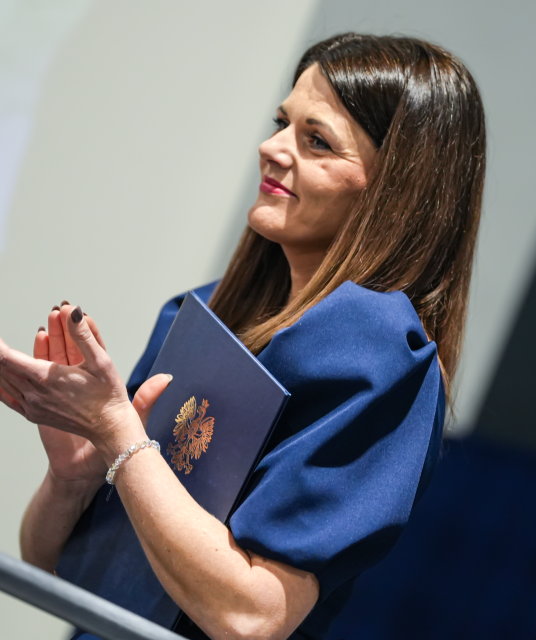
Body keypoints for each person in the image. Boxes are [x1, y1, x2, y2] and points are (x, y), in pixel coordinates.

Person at [0, 33, 486, 640]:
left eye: (317, 141)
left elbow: (252, 617)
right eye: (282, 124)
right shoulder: (207, 310)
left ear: (395, 188)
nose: (271, 148)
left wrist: (118, 433)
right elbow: (52, 564)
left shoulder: (378, 355)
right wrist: (74, 476)